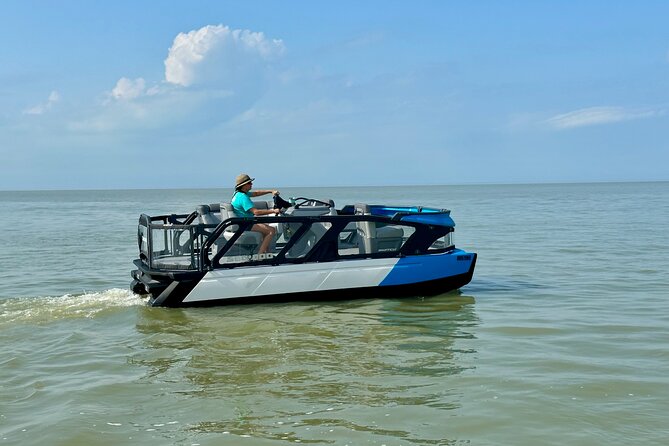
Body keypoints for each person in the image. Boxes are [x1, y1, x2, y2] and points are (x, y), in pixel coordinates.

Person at [231, 173, 281, 254]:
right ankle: (260, 255)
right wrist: (274, 211)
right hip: (246, 224)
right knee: (271, 230)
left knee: (266, 229)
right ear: (243, 185)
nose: (251, 184)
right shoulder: (243, 197)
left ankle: (266, 253)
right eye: (249, 183)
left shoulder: (238, 193)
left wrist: (270, 191)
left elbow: (256, 193)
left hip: (243, 222)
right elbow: (256, 212)